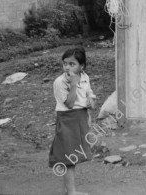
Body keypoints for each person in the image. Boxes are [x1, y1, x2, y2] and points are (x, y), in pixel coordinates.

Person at [49, 47, 96, 195]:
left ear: (81, 66)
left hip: (80, 118)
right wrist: (74, 84)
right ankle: (72, 192)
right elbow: (69, 104)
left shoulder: (84, 76)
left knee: (73, 155)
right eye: (65, 63)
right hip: (68, 119)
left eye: (72, 64)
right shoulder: (60, 82)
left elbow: (89, 93)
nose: (67, 67)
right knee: (68, 157)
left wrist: (90, 101)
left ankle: (66, 190)